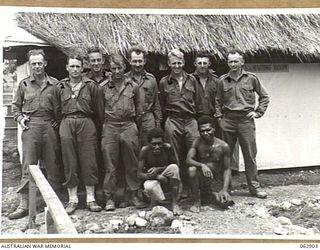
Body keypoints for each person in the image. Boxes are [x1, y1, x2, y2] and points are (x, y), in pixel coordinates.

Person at [10, 49, 63, 219]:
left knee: (52, 164)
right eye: (34, 64)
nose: (37, 66)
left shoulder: (55, 84)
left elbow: (62, 106)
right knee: (29, 165)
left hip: (49, 126)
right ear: (30, 65)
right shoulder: (24, 84)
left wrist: (58, 121)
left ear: (45, 64)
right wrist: (20, 119)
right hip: (31, 126)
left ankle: (53, 203)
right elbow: (16, 107)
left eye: (40, 63)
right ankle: (25, 203)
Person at [215, 49, 270, 198]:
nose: (233, 64)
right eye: (230, 61)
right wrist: (220, 118)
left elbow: (264, 96)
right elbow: (217, 101)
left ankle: (254, 188)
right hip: (228, 120)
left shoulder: (251, 78)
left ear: (242, 62)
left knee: (250, 155)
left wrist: (258, 112)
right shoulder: (222, 80)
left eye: (236, 61)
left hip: (245, 120)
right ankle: (227, 188)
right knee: (226, 155)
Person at [56, 54, 103, 214]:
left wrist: (93, 126)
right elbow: (56, 110)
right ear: (67, 68)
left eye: (78, 66)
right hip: (67, 121)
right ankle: (72, 199)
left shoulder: (91, 86)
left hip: (86, 122)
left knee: (89, 159)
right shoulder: (60, 86)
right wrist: (63, 124)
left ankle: (91, 198)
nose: (75, 69)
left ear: (83, 68)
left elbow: (99, 111)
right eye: (72, 66)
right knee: (69, 160)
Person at [100, 54, 146, 211]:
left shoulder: (133, 86)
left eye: (119, 68)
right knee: (110, 163)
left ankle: (133, 194)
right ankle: (109, 197)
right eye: (113, 68)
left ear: (125, 67)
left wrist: (131, 125)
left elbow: (139, 110)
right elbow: (100, 111)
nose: (117, 71)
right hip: (110, 126)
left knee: (132, 161)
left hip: (128, 125)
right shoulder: (103, 87)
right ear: (110, 69)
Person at [159, 48, 202, 197]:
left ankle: (194, 187)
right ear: (169, 64)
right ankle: (179, 187)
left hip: (190, 119)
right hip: (173, 119)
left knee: (194, 151)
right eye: (173, 64)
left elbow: (198, 102)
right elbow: (161, 103)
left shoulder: (192, 80)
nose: (176, 66)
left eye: (179, 63)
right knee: (174, 153)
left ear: (183, 63)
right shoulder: (164, 82)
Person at [186, 115, 233, 213]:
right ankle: (197, 201)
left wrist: (224, 189)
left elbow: (227, 169)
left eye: (208, 130)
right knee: (192, 170)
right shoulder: (197, 142)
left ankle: (214, 195)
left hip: (216, 180)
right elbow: (188, 160)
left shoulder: (223, 146)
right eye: (202, 131)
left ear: (214, 129)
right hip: (203, 179)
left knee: (224, 203)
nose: (205, 133)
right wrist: (202, 165)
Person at [137, 128, 182, 215]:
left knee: (174, 168)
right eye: (154, 144)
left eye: (159, 143)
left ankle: (175, 203)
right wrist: (156, 176)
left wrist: (159, 169)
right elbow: (139, 174)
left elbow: (176, 166)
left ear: (163, 142)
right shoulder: (145, 151)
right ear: (149, 143)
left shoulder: (168, 148)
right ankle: (154, 203)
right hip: (152, 180)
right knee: (149, 186)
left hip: (166, 179)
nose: (157, 147)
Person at [125, 45, 162, 147]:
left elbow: (156, 104)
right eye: (135, 61)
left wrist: (158, 124)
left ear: (144, 61)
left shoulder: (151, 79)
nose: (137, 64)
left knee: (149, 148)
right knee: (132, 148)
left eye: (140, 61)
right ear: (129, 61)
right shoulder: (124, 80)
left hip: (148, 119)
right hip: (131, 120)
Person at [193, 51, 221, 137]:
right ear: (195, 64)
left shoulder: (216, 81)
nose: (202, 66)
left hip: (213, 117)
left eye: (204, 63)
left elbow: (220, 100)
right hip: (195, 118)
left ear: (209, 64)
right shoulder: (189, 80)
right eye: (199, 63)